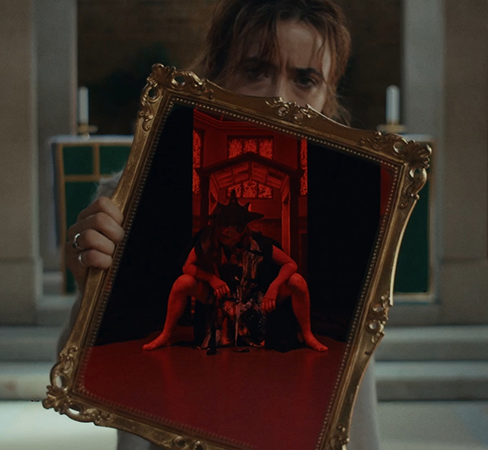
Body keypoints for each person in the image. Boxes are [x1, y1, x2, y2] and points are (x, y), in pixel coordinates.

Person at [63, 1, 380, 448]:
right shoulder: (134, 196)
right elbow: (88, 375)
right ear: (216, 76)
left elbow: (352, 393)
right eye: (255, 70)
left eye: (305, 79)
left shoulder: (345, 213)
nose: (278, 99)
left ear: (328, 98)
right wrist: (92, 296)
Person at [142, 191, 327, 352]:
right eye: (223, 225)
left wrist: (274, 287)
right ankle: (166, 335)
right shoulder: (208, 240)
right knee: (183, 282)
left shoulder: (259, 243)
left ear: (242, 229)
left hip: (254, 301)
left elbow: (291, 264)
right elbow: (187, 267)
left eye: (232, 226)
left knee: (297, 281)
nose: (226, 231)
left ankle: (308, 335)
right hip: (218, 298)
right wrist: (211, 279)